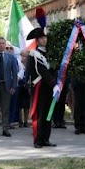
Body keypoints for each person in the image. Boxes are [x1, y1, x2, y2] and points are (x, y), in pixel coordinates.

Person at [27, 8, 58, 148]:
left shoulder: (50, 53)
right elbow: (43, 71)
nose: (44, 40)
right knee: (39, 114)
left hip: (48, 87)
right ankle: (38, 140)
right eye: (41, 38)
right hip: (39, 87)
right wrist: (54, 84)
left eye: (45, 38)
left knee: (48, 114)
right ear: (37, 40)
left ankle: (46, 138)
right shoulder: (34, 54)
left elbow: (54, 69)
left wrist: (57, 82)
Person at [18, 49, 31, 128]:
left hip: (27, 87)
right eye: (22, 56)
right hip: (19, 86)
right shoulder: (19, 64)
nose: (24, 58)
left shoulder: (30, 66)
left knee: (27, 105)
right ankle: (20, 121)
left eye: (26, 56)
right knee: (19, 105)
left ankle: (26, 121)